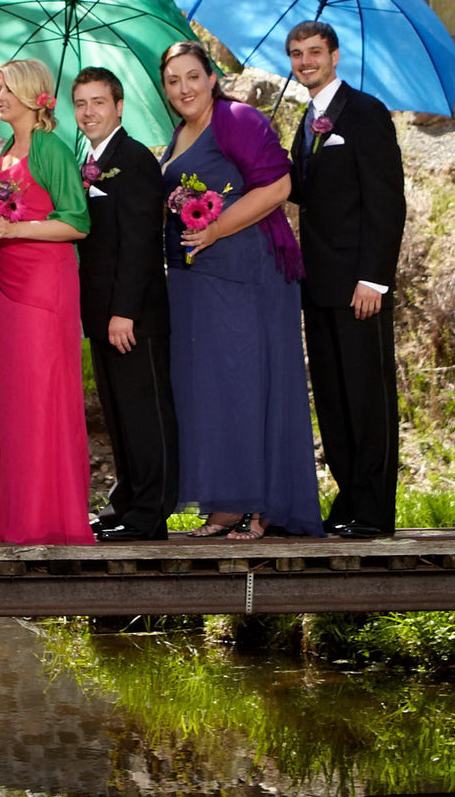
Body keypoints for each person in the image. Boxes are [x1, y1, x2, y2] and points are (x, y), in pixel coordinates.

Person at [159, 40, 323, 540]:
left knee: (249, 384)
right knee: (214, 391)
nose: (184, 88)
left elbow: (278, 188)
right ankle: (228, 503)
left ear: (212, 78)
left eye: (193, 76)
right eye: (173, 80)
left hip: (246, 277)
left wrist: (215, 230)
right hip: (197, 283)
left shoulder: (237, 119)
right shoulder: (179, 134)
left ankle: (265, 505)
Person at [287, 20, 406, 539]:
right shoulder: (306, 120)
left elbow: (386, 202)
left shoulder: (365, 112)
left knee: (367, 397)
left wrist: (373, 280)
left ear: (334, 56)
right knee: (334, 400)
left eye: (314, 52)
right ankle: (349, 501)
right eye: (297, 54)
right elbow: (303, 191)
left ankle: (375, 510)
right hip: (317, 285)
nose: (305, 61)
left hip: (360, 288)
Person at [0, 58, 93, 546]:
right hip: (9, 284)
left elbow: (77, 222)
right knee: (17, 400)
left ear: (32, 94)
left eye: (7, 88)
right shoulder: (6, 154)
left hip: (46, 288)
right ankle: (19, 519)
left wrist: (15, 229)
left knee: (45, 394)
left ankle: (54, 518)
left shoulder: (51, 148)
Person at [72, 67, 179, 542]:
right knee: (118, 414)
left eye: (98, 102)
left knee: (145, 414)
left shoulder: (134, 160)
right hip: (101, 312)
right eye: (81, 103)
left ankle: (150, 513)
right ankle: (127, 501)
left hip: (133, 315)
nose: (89, 112)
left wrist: (125, 312)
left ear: (119, 106)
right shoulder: (89, 160)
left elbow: (140, 243)